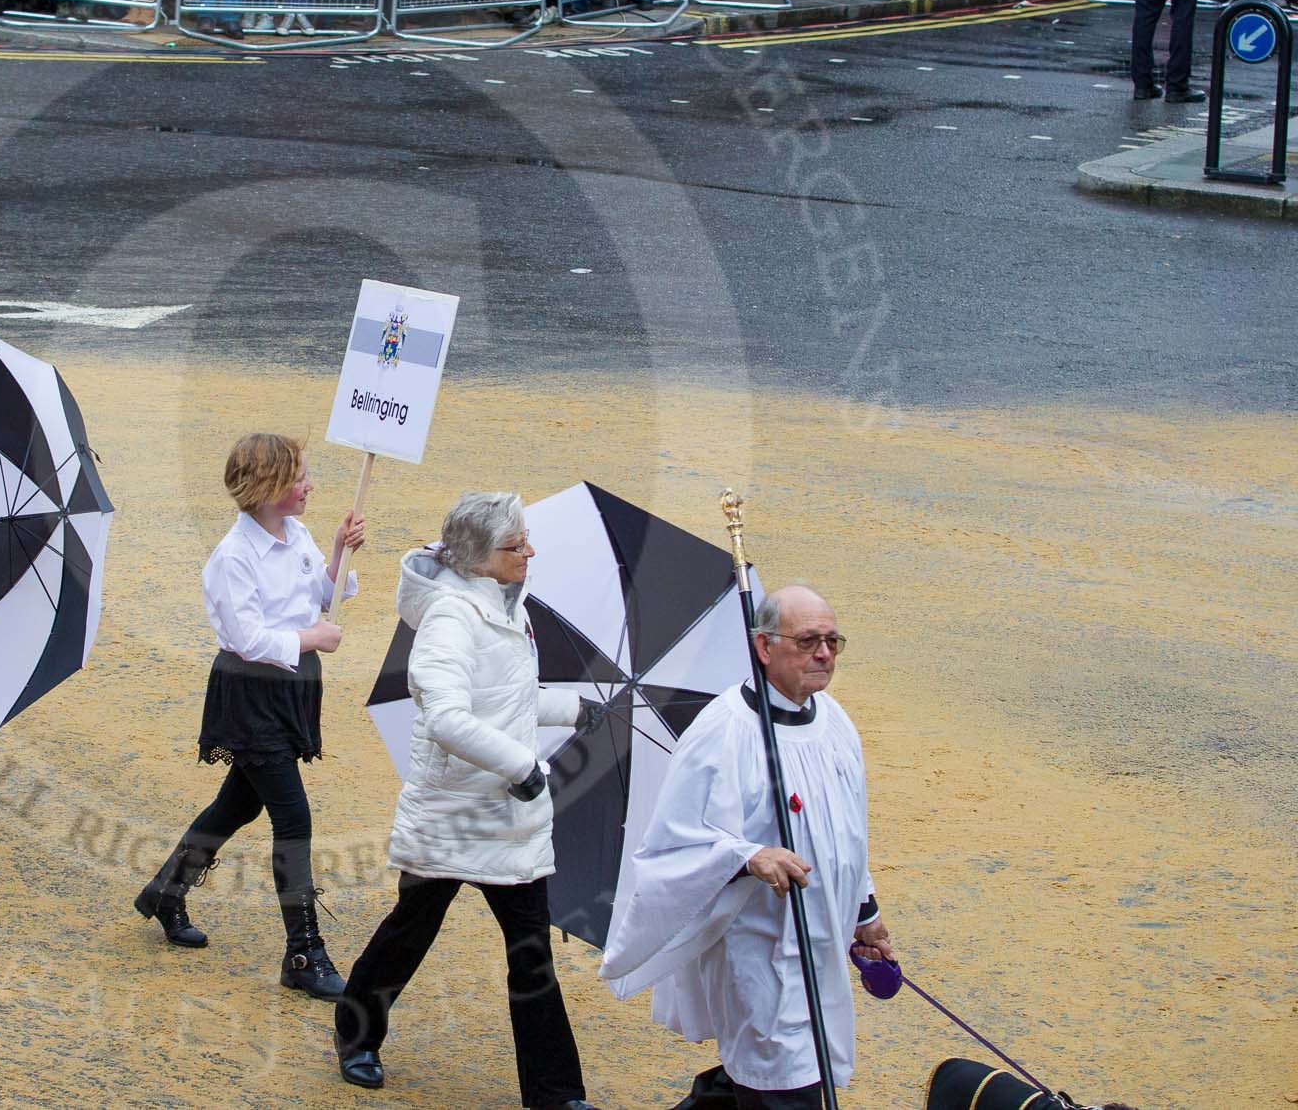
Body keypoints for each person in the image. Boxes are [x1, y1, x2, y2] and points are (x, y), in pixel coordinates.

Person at [332, 493, 603, 1109]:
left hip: (507, 817)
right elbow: (448, 717)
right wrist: (523, 768)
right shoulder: (452, 620)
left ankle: (556, 1095)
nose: (530, 552)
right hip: (455, 812)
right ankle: (357, 1034)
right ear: (479, 559)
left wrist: (573, 708)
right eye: (516, 546)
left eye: (526, 541)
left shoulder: (507, 608)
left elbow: (506, 700)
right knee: (410, 930)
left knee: (530, 955)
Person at [599, 584, 895, 1110]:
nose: (823, 654)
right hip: (759, 949)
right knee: (782, 1081)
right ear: (763, 646)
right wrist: (746, 856)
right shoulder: (724, 732)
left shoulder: (835, 724)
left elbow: (848, 835)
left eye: (832, 641)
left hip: (820, 939)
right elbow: (672, 843)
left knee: (773, 1077)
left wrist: (864, 914)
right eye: (807, 641)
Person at [132, 434, 362, 1000]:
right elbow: (247, 637)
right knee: (293, 816)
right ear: (268, 488)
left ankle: (167, 890)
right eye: (301, 477)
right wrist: (311, 638)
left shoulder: (300, 534)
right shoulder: (232, 558)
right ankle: (303, 952)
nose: (310, 485)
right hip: (252, 692)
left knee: (241, 800)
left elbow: (324, 592)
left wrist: (336, 555)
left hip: (293, 687)